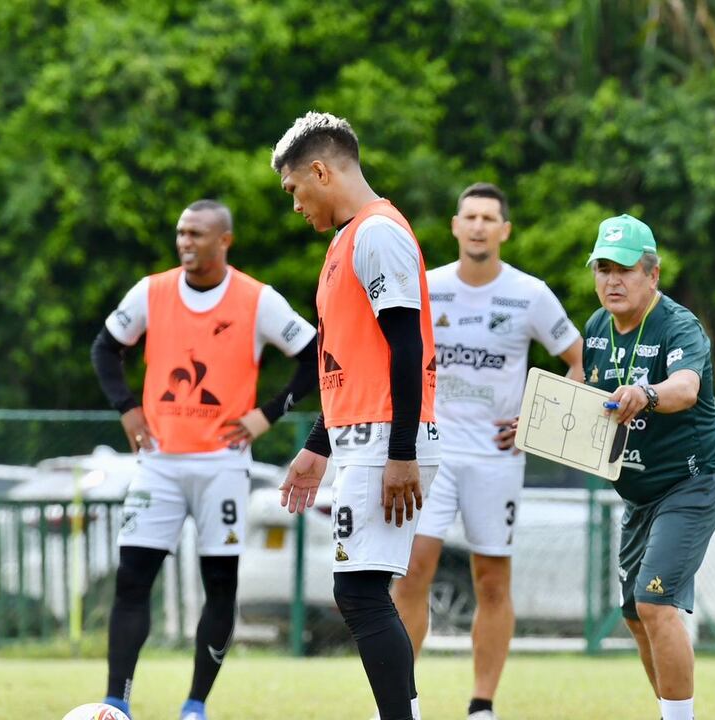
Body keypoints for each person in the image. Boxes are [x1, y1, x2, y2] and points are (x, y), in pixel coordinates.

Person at [90, 199, 319, 720]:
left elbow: (313, 354)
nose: (185, 243)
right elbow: (105, 347)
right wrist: (127, 407)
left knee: (219, 585)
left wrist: (267, 413)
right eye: (180, 233)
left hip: (223, 464)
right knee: (132, 580)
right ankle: (116, 702)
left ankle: (195, 705)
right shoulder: (152, 292)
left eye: (196, 234)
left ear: (224, 242)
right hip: (160, 463)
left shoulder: (256, 300)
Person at [390, 182, 583, 720]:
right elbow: (395, 357)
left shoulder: (529, 294)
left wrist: (537, 422)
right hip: (431, 452)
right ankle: (401, 702)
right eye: (469, 216)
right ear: (455, 226)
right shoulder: (428, 289)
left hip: (496, 459)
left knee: (491, 579)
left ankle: (481, 706)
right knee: (412, 572)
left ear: (504, 230)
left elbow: (579, 358)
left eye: (488, 218)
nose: (478, 226)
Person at [270, 112, 440, 720]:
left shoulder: (376, 233)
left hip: (385, 441)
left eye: (294, 189)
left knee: (360, 592)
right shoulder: (345, 241)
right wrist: (319, 445)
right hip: (362, 440)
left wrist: (402, 454)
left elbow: (407, 346)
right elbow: (345, 360)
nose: (294, 205)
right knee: (362, 592)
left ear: (321, 170)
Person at [580, 214, 715, 720]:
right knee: (635, 615)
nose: (612, 280)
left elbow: (686, 387)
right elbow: (581, 391)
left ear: (653, 274)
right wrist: (532, 421)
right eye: (603, 268)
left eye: (624, 268)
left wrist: (646, 393)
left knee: (655, 603)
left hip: (692, 482)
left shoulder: (678, 324)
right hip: (639, 495)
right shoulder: (597, 328)